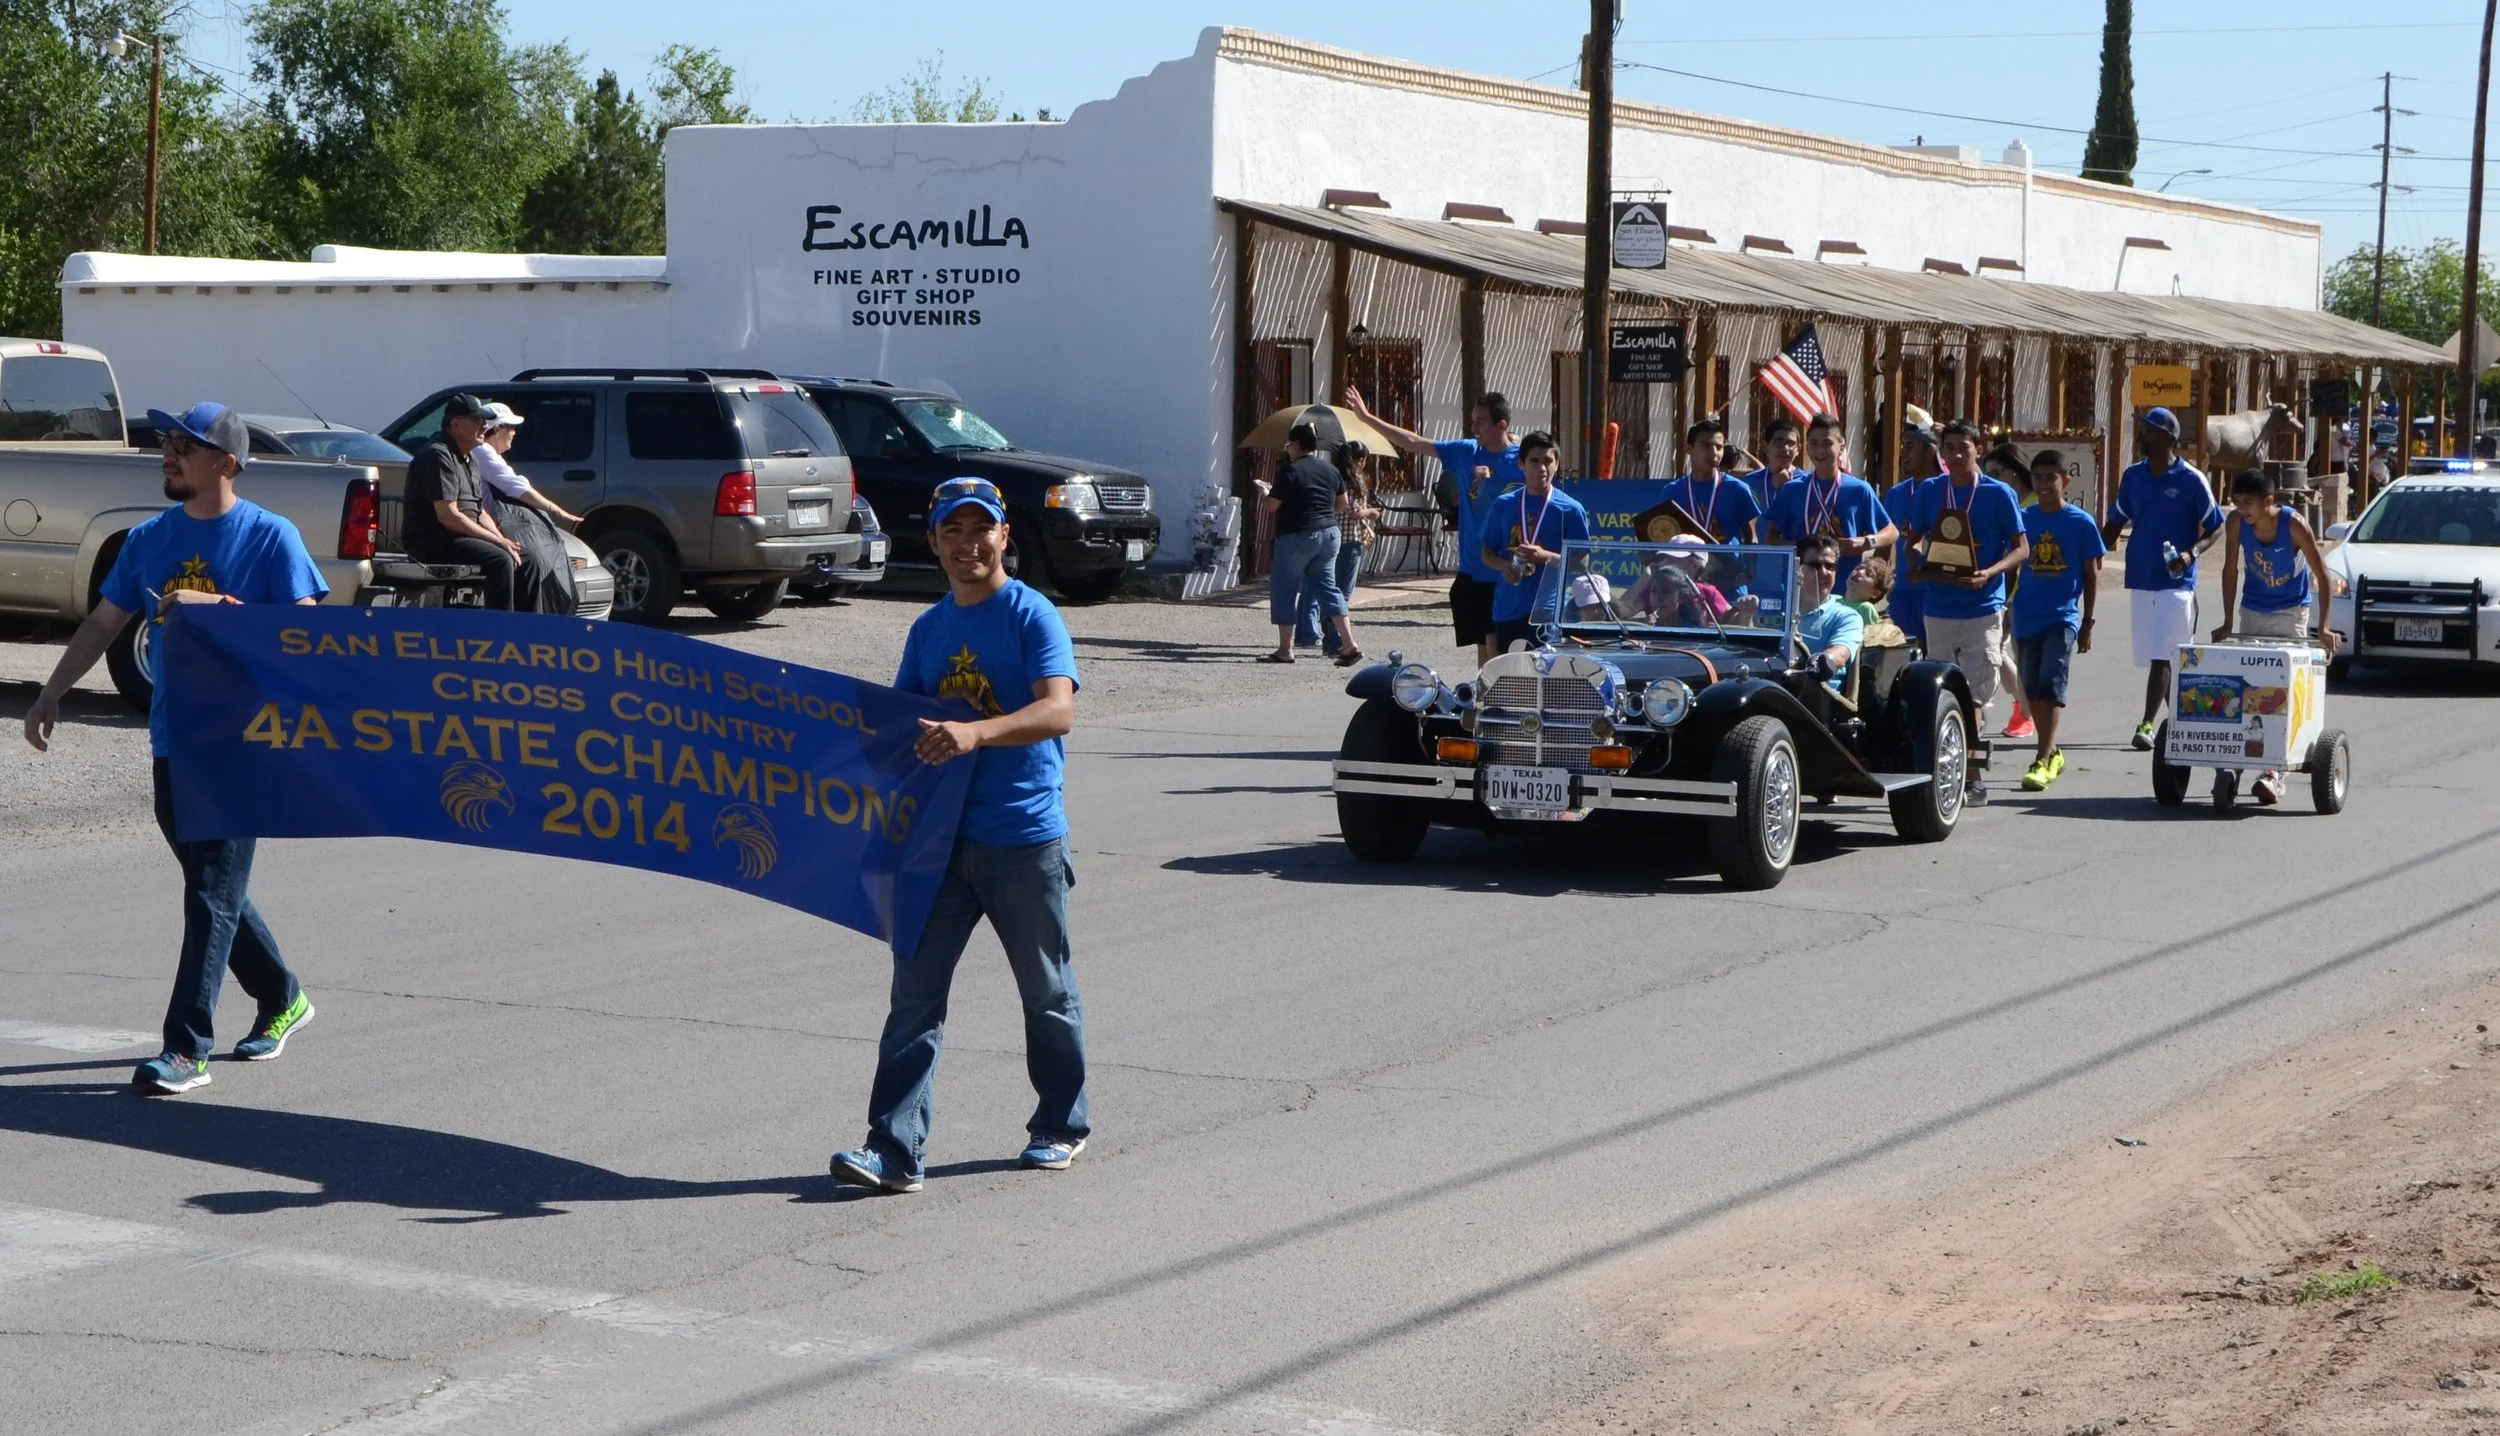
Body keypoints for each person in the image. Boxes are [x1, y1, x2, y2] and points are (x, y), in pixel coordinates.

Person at [21, 402, 326, 1095]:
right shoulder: (150, 538)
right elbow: (104, 622)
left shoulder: (271, 539)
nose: (168, 452)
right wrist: (51, 692)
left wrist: (224, 610)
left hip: (246, 742)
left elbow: (307, 643)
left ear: (226, 461)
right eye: (166, 442)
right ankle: (283, 996)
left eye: (184, 444)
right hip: (174, 738)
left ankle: (187, 1048)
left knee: (209, 897)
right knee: (210, 888)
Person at [830, 476, 1088, 1194]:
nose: (968, 544)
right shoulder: (930, 628)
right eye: (953, 532)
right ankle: (894, 1150)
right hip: (936, 845)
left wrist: (975, 732)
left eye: (982, 530)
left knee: (1046, 991)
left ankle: (1061, 1124)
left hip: (1021, 837)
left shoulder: (1032, 616)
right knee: (915, 997)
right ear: (934, 542)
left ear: (1005, 536)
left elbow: (1057, 712)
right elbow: (906, 725)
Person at [1903, 418, 2029, 805]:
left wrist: (1989, 573)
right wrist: (1918, 564)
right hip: (1938, 606)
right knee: (1939, 695)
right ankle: (1943, 772)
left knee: (1973, 697)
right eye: (1949, 448)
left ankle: (1972, 777)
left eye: (1964, 447)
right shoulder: (1930, 490)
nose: (1956, 455)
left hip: (1982, 606)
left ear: (1979, 449)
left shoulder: (1998, 494)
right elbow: (1913, 540)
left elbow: (2021, 547)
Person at [1345, 384, 1516, 663]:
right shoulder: (1465, 451)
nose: (1474, 427)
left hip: (1509, 570)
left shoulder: (1521, 461)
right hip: (1474, 569)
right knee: (1484, 648)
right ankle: (1488, 701)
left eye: (1481, 421)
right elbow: (1413, 442)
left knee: (1502, 646)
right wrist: (1366, 418)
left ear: (1502, 424)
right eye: (1472, 420)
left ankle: (1506, 699)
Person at [2211, 468, 2340, 806]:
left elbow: (2322, 573)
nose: (2242, 509)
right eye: (2237, 502)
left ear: (2269, 501)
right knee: (2245, 684)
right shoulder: (2236, 524)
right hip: (2253, 610)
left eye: (2249, 503)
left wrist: (2323, 626)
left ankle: (2274, 772)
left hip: (2290, 613)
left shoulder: (2294, 525)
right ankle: (2238, 759)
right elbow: (2230, 569)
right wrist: (2227, 620)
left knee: (2281, 688)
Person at [2101, 407, 2223, 751]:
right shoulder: (2132, 477)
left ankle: (2147, 724)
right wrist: (2091, 553)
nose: (2143, 436)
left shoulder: (2191, 479)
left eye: (2150, 431)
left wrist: (2191, 554)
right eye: (2142, 430)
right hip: (2141, 577)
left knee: (2162, 655)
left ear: (2169, 437)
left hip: (2177, 583)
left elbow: (2215, 526)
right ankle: (2192, 724)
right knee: (2159, 656)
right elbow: (2115, 523)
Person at [2008, 450, 2106, 792]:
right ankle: (2052, 751)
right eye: (2038, 478)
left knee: (2051, 684)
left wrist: (2088, 622)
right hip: (2026, 615)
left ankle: (2043, 757)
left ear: (2065, 480)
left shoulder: (2081, 522)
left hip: (2062, 617)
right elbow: (2011, 564)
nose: (2045, 484)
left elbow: (2092, 575)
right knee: (2032, 687)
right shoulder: (2024, 518)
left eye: (2051, 478)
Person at [402, 392, 522, 611]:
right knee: (500, 560)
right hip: (435, 541)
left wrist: (503, 541)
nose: (484, 426)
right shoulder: (437, 455)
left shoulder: (470, 457)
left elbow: (479, 511)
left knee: (526, 558)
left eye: (485, 421)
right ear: (456, 424)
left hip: (462, 537)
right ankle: (500, 631)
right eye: (477, 420)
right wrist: (499, 544)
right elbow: (449, 517)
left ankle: (530, 627)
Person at [1477, 430, 1590, 651]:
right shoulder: (1503, 505)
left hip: (1547, 612)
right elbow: (1486, 553)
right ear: (1521, 464)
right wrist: (1504, 565)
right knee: (1509, 678)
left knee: (1546, 679)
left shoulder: (1570, 509)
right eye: (1534, 461)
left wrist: (1545, 557)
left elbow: (1582, 562)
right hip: (1508, 606)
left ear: (1557, 464)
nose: (1541, 468)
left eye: (1548, 461)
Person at [471, 400, 583, 614]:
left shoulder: (485, 453)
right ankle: (524, 624)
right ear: (496, 429)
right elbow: (517, 487)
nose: (514, 433)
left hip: (489, 528)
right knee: (529, 561)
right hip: (481, 530)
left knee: (530, 559)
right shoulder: (483, 451)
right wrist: (556, 510)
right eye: (510, 427)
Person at [1259, 424, 1358, 665]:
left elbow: (1272, 506)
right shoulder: (1330, 469)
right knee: (1329, 588)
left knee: (1284, 588)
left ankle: (1285, 649)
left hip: (1298, 535)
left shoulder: (1290, 471)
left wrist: (1264, 492)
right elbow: (1342, 504)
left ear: (1294, 445)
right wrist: (1323, 515)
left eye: (1288, 446)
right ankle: (1348, 644)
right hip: (1329, 534)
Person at [1762, 411, 1896, 590]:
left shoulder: (1858, 489)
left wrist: (1867, 542)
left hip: (1846, 590)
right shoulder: (1792, 489)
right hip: (1801, 588)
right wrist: (1800, 546)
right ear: (1807, 448)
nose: (1820, 451)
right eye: (1814, 444)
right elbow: (1771, 537)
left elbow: (1891, 531)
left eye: (1827, 444)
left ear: (1841, 447)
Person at [1296, 440, 1379, 657]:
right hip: (1349, 539)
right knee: (1341, 592)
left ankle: (1322, 636)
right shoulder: (1350, 481)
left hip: (1330, 538)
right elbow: (1353, 511)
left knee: (1325, 589)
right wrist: (1370, 512)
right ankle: (1333, 640)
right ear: (1359, 460)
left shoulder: (1332, 476)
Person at [1883, 411, 1942, 647]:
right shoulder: (1897, 493)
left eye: (1911, 446)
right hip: (1903, 590)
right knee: (1905, 656)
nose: (1903, 453)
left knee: (1937, 657)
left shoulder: (1948, 489)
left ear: (1930, 451)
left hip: (1935, 588)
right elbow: (1887, 541)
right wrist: (1882, 581)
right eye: (1902, 446)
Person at [1661, 419, 1762, 542]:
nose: (1714, 453)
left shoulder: (1738, 489)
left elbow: (1752, 539)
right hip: (1687, 560)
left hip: (1728, 561)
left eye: (1719, 447)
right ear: (1689, 449)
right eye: (1706, 446)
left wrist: (1750, 560)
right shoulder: (1672, 491)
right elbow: (1663, 536)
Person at [1793, 533, 1863, 694]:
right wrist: (1746, 615)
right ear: (1797, 568)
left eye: (1830, 566)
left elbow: (1840, 653)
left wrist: (1821, 661)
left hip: (1817, 702)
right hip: (1772, 690)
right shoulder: (1780, 609)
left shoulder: (1847, 617)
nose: (1824, 572)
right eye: (1815, 565)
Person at [1629, 535, 1732, 627]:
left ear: (1694, 564)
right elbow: (1620, 614)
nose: (1666, 561)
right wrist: (1643, 579)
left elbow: (1733, 620)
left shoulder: (1707, 592)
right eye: (1666, 557)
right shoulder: (1654, 590)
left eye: (1674, 558)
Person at [1743, 416, 1804, 514]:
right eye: (1778, 442)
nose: (1785, 448)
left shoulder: (1807, 483)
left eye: (1791, 443)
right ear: (1765, 446)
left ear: (1798, 449)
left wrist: (1786, 488)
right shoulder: (1749, 482)